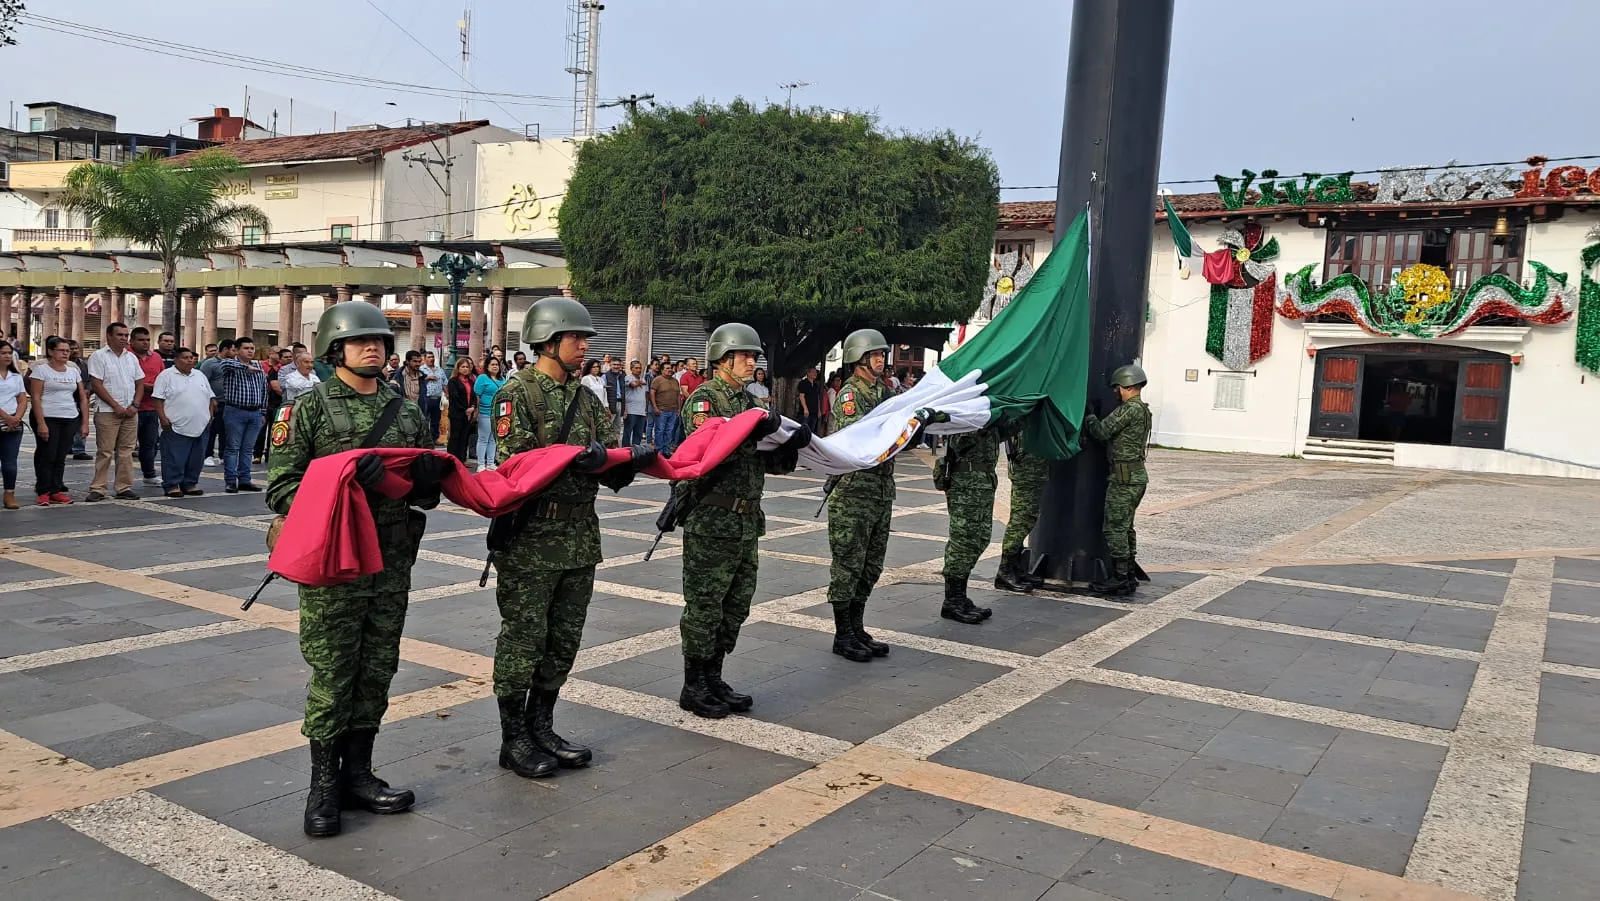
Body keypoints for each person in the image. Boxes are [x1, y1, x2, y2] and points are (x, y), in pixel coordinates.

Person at [267, 302, 446, 838]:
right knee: (333, 672)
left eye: (381, 342)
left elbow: (421, 494)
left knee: (376, 668)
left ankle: (359, 775)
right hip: (337, 563)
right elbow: (280, 488)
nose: (374, 348)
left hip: (390, 562)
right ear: (334, 349)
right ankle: (323, 787)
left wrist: (428, 482)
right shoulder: (308, 410)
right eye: (360, 341)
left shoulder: (409, 413)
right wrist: (345, 485)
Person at [489, 297, 651, 778]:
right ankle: (513, 737)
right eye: (576, 338)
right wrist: (569, 457)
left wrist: (625, 462)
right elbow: (512, 462)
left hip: (579, 535)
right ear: (548, 340)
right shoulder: (516, 394)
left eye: (585, 339)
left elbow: (611, 457)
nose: (585, 346)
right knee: (523, 639)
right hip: (532, 538)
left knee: (563, 638)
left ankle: (542, 725)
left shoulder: (587, 397)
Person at [676, 323, 802, 718]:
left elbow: (768, 462)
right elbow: (705, 452)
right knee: (705, 606)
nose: (753, 363)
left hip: (746, 522)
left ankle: (714, 676)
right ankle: (694, 683)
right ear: (724, 358)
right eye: (746, 356)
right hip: (712, 520)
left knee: (736, 605)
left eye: (754, 357)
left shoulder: (752, 404)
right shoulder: (704, 400)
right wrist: (751, 432)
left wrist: (787, 446)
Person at [826, 329, 897, 662]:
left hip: (881, 489)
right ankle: (843, 634)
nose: (881, 360)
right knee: (848, 566)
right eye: (875, 355)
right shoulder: (850, 395)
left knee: (871, 566)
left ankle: (857, 626)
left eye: (882, 355)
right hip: (855, 490)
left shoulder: (885, 393)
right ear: (858, 358)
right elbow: (861, 436)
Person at [1081, 364, 1152, 596]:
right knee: (1126, 527)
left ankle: (1120, 577)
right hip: (1135, 476)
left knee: (1114, 529)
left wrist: (1089, 416)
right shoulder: (1144, 410)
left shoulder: (1129, 410)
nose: (1116, 392)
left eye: (1118, 388)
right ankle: (1128, 574)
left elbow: (1101, 432)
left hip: (1124, 479)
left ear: (1128, 386)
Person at [935, 426, 1003, 624]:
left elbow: (1004, 431)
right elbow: (960, 442)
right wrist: (985, 421)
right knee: (963, 541)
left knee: (980, 538)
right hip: (966, 483)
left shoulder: (987, 413)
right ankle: (952, 600)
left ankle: (960, 596)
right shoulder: (968, 414)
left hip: (983, 482)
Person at [86, 322, 145, 502]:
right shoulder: (98, 356)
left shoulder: (131, 358)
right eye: (120, 335)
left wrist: (135, 405)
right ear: (109, 336)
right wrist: (115, 405)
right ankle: (98, 488)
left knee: (127, 451)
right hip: (107, 411)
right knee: (105, 451)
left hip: (130, 411)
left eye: (126, 335)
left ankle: (124, 487)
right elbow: (97, 384)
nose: (124, 338)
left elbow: (140, 383)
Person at [27, 336, 90, 506]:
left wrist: (84, 422)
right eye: (61, 350)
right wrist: (41, 423)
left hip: (69, 417)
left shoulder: (73, 371)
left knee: (60, 455)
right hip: (48, 416)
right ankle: (43, 490)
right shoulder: (41, 370)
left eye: (67, 351)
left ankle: (56, 489)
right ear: (50, 352)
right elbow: (35, 397)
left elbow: (82, 398)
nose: (65, 353)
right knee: (47, 454)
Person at [151, 347, 215, 498]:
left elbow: (211, 398)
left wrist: (209, 416)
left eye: (191, 358)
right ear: (176, 359)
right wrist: (162, 418)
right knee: (174, 458)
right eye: (185, 358)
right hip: (175, 426)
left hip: (200, 425)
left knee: (196, 458)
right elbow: (158, 399)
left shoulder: (199, 375)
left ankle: (190, 483)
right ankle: (172, 485)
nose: (190, 360)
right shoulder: (166, 376)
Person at [995, 427, 1048, 592]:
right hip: (1027, 469)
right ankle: (1005, 570)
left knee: (1025, 518)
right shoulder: (1028, 406)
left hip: (1031, 467)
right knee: (1021, 520)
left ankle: (1016, 568)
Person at [216, 337, 269, 492]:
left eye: (252, 348)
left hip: (255, 413)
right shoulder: (230, 365)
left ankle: (245, 480)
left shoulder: (258, 366)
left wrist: (263, 412)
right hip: (235, 411)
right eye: (246, 348)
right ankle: (231, 481)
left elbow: (264, 390)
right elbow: (224, 363)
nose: (250, 351)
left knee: (248, 449)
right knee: (232, 447)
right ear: (237, 350)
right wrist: (245, 368)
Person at [133, 327, 166, 488]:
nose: (145, 343)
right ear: (132, 341)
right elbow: (129, 380)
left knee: (150, 444)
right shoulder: (127, 357)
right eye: (141, 340)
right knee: (124, 447)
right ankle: (122, 479)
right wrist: (146, 387)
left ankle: (149, 474)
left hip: (151, 407)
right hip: (131, 407)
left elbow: (162, 377)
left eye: (147, 340)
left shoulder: (156, 357)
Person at [0, 340, 29, 510]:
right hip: (5, 418)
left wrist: (17, 417)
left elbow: (22, 398)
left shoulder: (16, 376)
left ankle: (9, 492)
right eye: (3, 353)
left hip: (13, 424)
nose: (7, 356)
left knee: (10, 461)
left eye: (9, 353)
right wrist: (6, 417)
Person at [202, 338, 234, 466]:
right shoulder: (210, 364)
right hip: (214, 402)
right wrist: (211, 398)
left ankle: (223, 455)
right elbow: (203, 382)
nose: (235, 352)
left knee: (225, 430)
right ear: (225, 349)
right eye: (233, 350)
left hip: (229, 402)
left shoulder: (234, 363)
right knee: (212, 429)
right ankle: (207, 454)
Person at [473, 356, 508, 471]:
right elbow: (476, 395)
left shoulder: (503, 379)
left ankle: (491, 462)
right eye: (492, 364)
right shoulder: (482, 378)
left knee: (493, 439)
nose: (495, 367)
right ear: (487, 366)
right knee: (483, 438)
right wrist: (476, 411)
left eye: (497, 365)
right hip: (485, 412)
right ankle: (481, 464)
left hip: (499, 413)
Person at [444, 357, 476, 463]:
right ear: (458, 368)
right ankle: (452, 460)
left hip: (468, 414)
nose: (465, 369)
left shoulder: (471, 382)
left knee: (464, 437)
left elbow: (474, 397)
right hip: (457, 413)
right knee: (455, 437)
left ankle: (462, 460)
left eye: (467, 367)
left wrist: (472, 407)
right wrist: (465, 410)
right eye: (463, 367)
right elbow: (454, 398)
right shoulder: (453, 381)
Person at [649, 360, 681, 455]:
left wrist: (679, 408)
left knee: (669, 431)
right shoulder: (657, 380)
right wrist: (655, 407)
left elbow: (678, 395)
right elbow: (652, 394)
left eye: (670, 368)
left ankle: (666, 451)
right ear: (662, 370)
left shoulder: (675, 381)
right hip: (661, 410)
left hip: (673, 410)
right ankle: (659, 451)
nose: (670, 370)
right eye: (667, 368)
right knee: (660, 431)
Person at [66, 340, 90, 460]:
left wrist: (88, 391)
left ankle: (79, 449)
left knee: (81, 423)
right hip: (68, 399)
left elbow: (89, 379)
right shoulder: (64, 365)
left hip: (81, 398)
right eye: (72, 349)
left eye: (76, 348)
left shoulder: (82, 364)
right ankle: (68, 445)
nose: (75, 351)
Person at [419, 351, 445, 443]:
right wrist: (428, 378)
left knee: (436, 420)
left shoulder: (439, 369)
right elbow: (418, 381)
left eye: (433, 357)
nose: (432, 359)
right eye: (429, 357)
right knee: (425, 419)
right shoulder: (421, 369)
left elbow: (445, 383)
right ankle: (424, 439)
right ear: (425, 359)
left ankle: (434, 438)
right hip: (426, 398)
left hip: (437, 398)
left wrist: (447, 394)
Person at [622, 359, 648, 447]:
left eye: (640, 368)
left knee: (638, 433)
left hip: (641, 410)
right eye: (636, 368)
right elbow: (633, 384)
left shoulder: (642, 379)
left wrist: (646, 408)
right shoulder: (627, 378)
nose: (638, 370)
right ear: (631, 369)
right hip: (631, 410)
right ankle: (625, 450)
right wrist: (640, 382)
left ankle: (636, 450)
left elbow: (645, 394)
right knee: (628, 432)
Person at [797, 367, 821, 433]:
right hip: (806, 413)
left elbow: (817, 398)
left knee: (812, 431)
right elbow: (801, 396)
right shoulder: (803, 383)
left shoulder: (816, 385)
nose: (815, 374)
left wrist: (819, 410)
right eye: (813, 372)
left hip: (814, 412)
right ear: (808, 373)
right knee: (804, 430)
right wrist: (805, 408)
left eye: (816, 372)